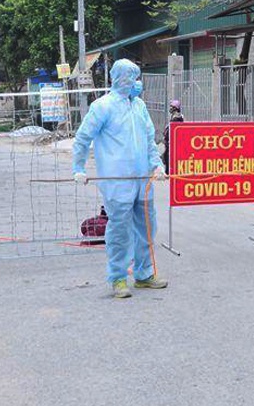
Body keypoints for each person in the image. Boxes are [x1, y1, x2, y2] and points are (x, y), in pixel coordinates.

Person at [72, 59, 167, 299]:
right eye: (132, 78)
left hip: (142, 179)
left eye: (137, 78)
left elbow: (149, 139)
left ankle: (144, 275)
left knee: (146, 228)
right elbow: (83, 137)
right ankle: (118, 278)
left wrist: (157, 165)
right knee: (119, 230)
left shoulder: (139, 106)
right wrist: (78, 167)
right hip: (117, 180)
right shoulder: (102, 107)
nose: (137, 83)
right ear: (120, 79)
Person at [161, 99, 185, 171]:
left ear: (175, 108)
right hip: (169, 141)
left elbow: (172, 130)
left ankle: (169, 172)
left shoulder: (177, 118)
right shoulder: (174, 117)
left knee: (169, 157)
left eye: (172, 107)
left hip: (172, 142)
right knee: (166, 156)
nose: (170, 108)